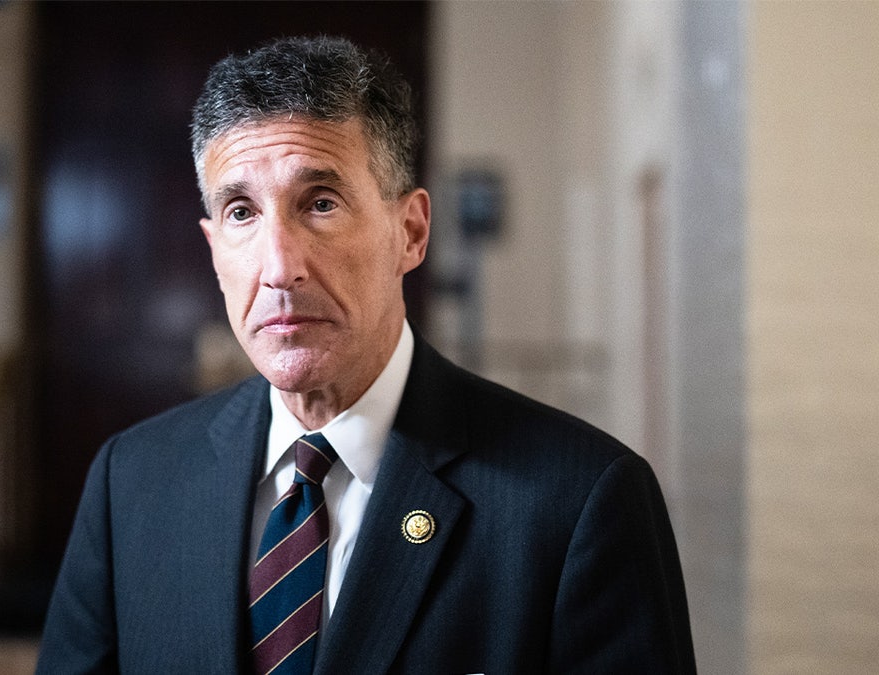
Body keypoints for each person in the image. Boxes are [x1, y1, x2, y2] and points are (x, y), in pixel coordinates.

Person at [36, 36, 696, 674]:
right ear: (213, 250)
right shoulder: (132, 483)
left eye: (320, 203)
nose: (279, 268)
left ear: (411, 232)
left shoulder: (578, 502)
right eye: (241, 212)